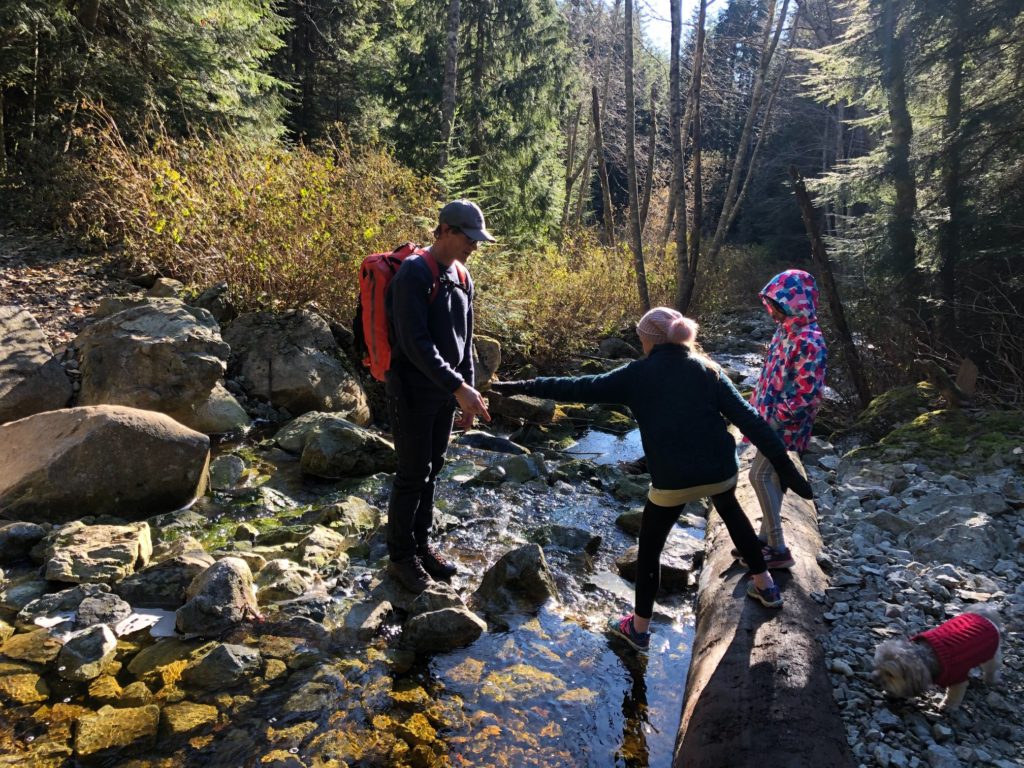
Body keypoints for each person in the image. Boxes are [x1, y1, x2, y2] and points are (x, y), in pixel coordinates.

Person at [490, 307, 813, 652]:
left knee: (650, 548)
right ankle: (766, 586)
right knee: (732, 511)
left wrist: (521, 386)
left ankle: (639, 628)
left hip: (672, 481)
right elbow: (750, 419)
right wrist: (785, 465)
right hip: (721, 472)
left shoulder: (636, 374)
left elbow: (578, 388)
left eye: (641, 336)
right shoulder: (709, 370)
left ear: (650, 339)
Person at [384, 199, 495, 593]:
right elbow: (415, 344)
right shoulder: (415, 273)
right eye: (469, 237)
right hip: (411, 390)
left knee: (433, 470)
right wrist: (457, 388)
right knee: (412, 473)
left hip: (444, 394)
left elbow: (464, 344)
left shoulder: (463, 276)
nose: (474, 246)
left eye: (477, 240)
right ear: (445, 230)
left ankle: (421, 546)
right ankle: (400, 558)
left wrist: (467, 393)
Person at [744, 270, 827, 571]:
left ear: (797, 302)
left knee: (759, 476)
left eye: (779, 303)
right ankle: (765, 540)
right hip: (766, 418)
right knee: (774, 478)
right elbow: (770, 375)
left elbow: (809, 394)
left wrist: (777, 420)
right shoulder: (785, 331)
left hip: (784, 425)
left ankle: (777, 547)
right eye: (772, 303)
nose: (774, 309)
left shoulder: (809, 340)